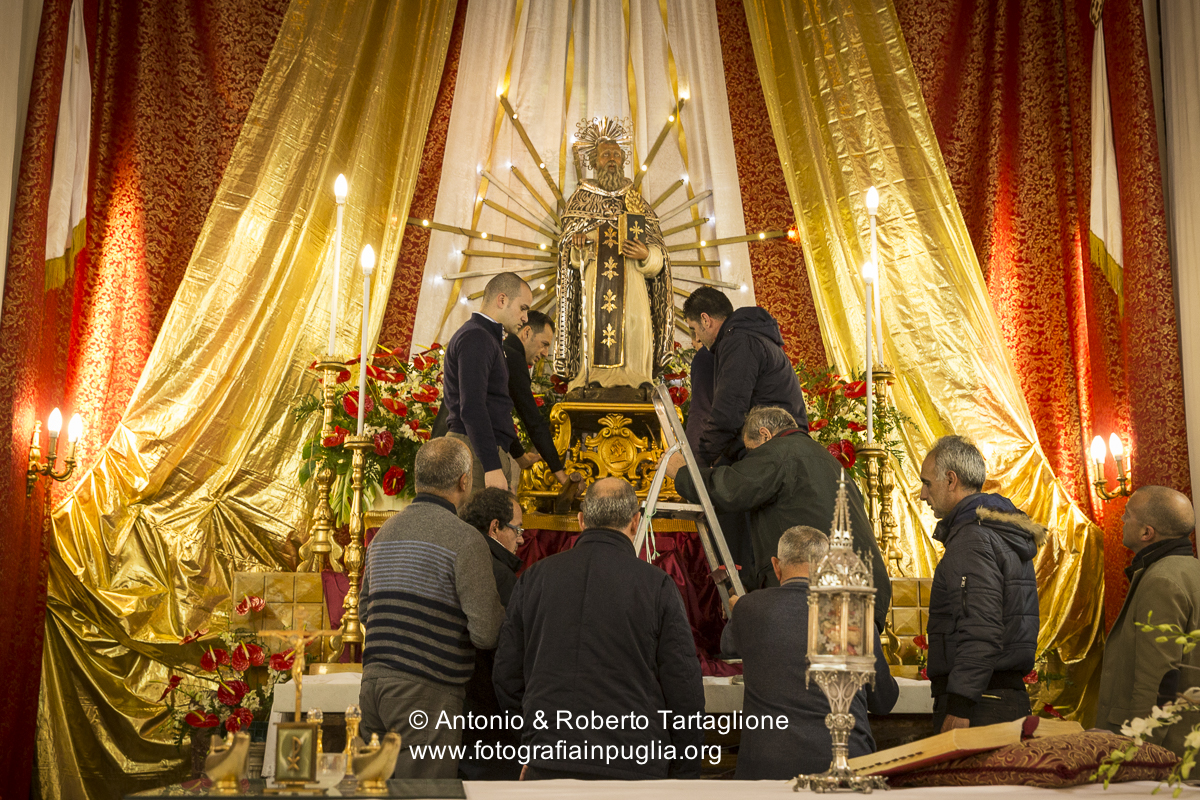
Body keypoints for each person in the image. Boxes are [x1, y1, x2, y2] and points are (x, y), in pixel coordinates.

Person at [492, 478, 705, 780]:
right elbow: (684, 689)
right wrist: (684, 773)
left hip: (551, 758)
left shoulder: (535, 577)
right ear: (636, 522)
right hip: (633, 764)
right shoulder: (656, 585)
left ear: (581, 521)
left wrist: (534, 741)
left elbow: (506, 675)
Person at [667, 406, 891, 628]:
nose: (751, 461)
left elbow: (730, 489)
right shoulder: (827, 461)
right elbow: (788, 524)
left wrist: (682, 473)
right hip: (864, 593)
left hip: (819, 595)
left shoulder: (779, 451)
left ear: (765, 435)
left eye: (751, 453)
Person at [359, 438, 505, 779]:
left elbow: (366, 610)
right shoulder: (465, 539)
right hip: (426, 691)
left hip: (373, 685)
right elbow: (486, 632)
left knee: (373, 789)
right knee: (423, 794)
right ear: (464, 481)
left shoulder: (383, 534)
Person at [721, 526, 897, 779]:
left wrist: (738, 611)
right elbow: (884, 701)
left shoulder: (749, 607)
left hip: (767, 768)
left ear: (776, 565)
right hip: (845, 765)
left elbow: (727, 647)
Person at [919, 434, 1043, 733]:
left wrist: (960, 704)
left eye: (927, 483)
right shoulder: (994, 531)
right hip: (994, 696)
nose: (923, 495)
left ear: (951, 480)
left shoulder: (972, 538)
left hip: (980, 703)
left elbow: (981, 627)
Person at [554, 116, 673, 392]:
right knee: (596, 326)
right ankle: (594, 378)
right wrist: (578, 246)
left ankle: (636, 378)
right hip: (594, 285)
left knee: (635, 326)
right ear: (594, 162)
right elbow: (568, 256)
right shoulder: (581, 199)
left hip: (633, 285)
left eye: (617, 155)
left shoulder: (637, 202)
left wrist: (646, 255)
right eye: (606, 154)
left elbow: (660, 258)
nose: (612, 159)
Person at [1095, 486, 1199, 755]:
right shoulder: (1192, 570)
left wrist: (1139, 750)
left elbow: (1158, 679)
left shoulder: (1161, 580)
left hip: (1160, 748)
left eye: (1128, 515)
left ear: (1146, 533)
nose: (1122, 520)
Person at [681, 287, 807, 466]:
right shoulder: (749, 336)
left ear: (705, 320)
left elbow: (729, 412)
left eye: (694, 329)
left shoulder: (740, 342)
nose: (698, 338)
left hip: (773, 451)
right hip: (783, 444)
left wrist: (699, 463)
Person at [457, 488, 526, 780]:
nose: (521, 539)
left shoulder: (458, 556)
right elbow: (508, 652)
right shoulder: (499, 573)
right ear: (495, 527)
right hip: (489, 715)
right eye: (517, 529)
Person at [443, 271, 531, 492]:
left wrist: (517, 454)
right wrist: (492, 466)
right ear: (502, 300)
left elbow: (494, 406)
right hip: (474, 450)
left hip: (480, 448)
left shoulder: (485, 336)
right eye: (523, 308)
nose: (525, 318)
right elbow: (473, 406)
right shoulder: (477, 336)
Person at [504, 310, 571, 486]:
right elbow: (533, 421)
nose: (545, 353)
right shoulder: (513, 357)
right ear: (526, 332)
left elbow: (498, 415)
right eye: (544, 344)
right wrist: (560, 474)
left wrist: (519, 455)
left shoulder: (501, 351)